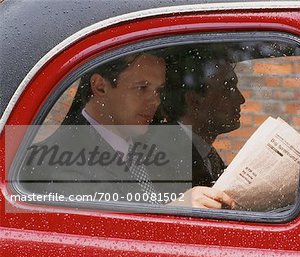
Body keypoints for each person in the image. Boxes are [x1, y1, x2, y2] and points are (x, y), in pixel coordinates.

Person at [20, 51, 234, 209]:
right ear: (100, 87)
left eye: (158, 90)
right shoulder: (55, 158)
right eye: (142, 88)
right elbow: (93, 241)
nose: (155, 101)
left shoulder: (156, 147)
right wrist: (174, 210)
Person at [155, 47, 246, 187]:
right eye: (228, 89)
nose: (241, 99)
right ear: (194, 100)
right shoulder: (165, 156)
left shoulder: (204, 153)